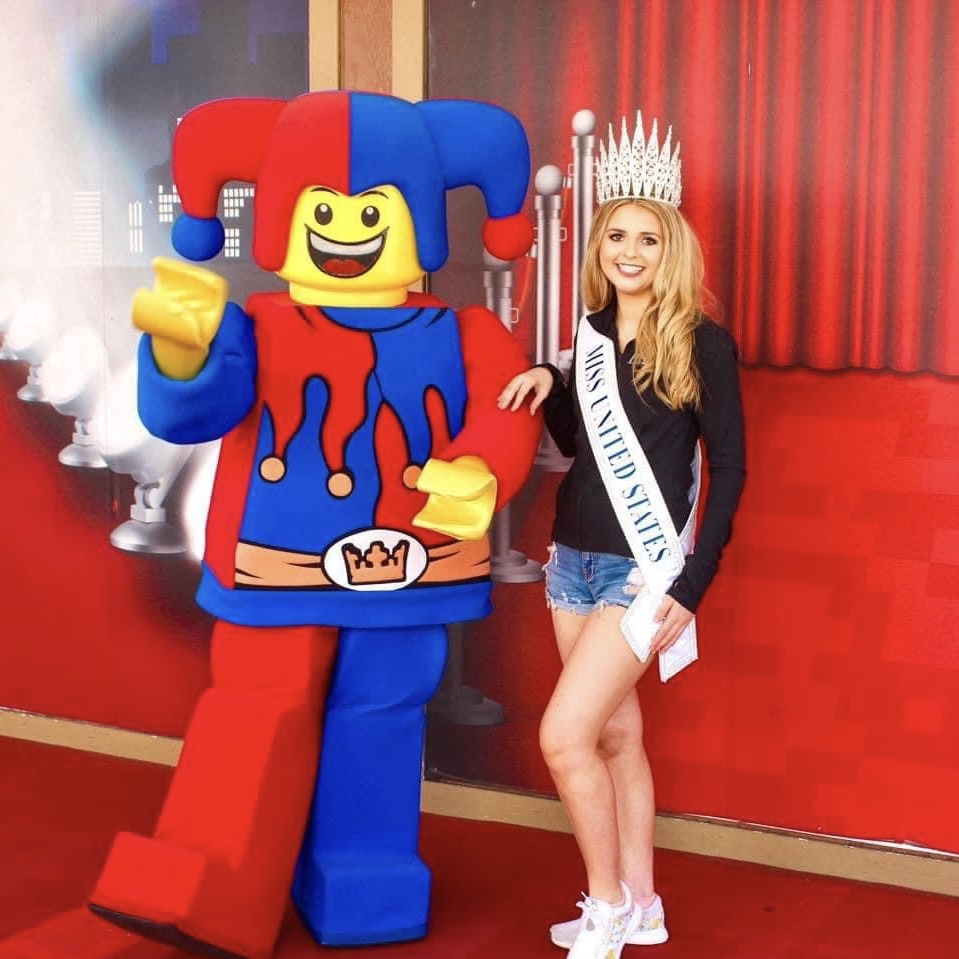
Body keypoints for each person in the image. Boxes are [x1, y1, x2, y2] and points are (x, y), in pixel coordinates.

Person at [498, 114, 746, 959]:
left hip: (642, 575)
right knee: (614, 735)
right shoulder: (591, 335)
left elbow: (731, 473)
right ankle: (642, 904)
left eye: (646, 237)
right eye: (615, 236)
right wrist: (549, 379)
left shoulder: (703, 344)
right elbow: (576, 445)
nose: (628, 251)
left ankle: (602, 906)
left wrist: (688, 586)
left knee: (563, 737)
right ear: (598, 245)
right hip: (569, 562)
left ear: (668, 245)